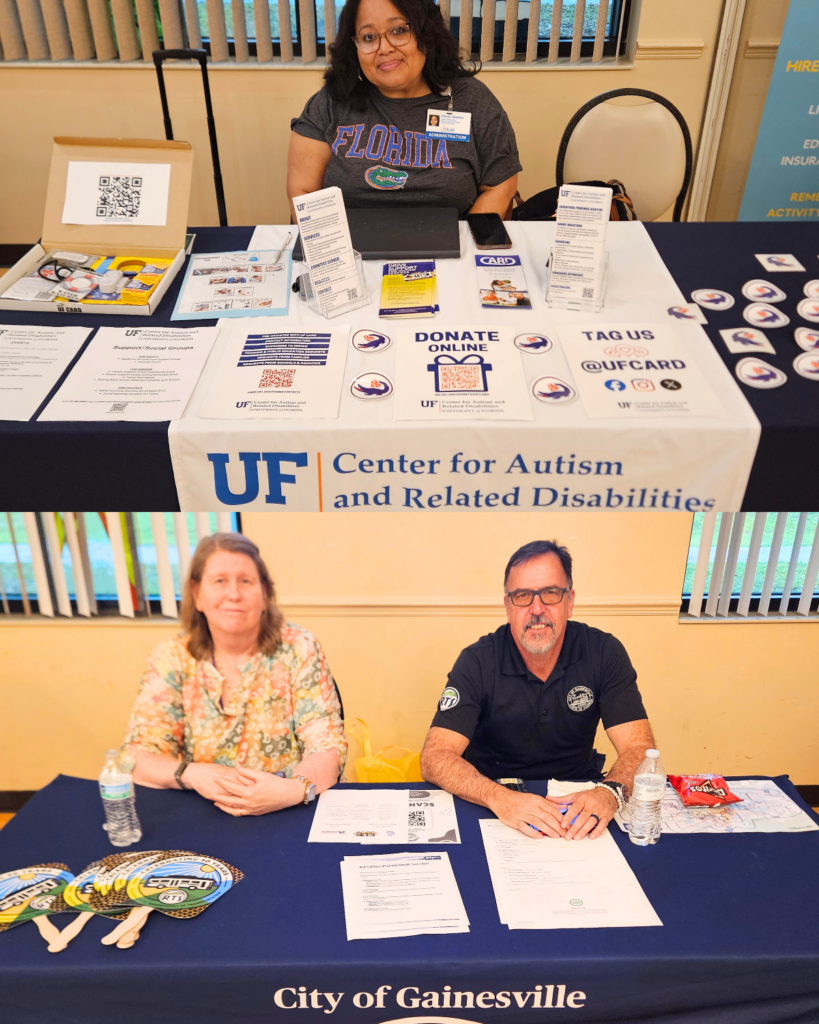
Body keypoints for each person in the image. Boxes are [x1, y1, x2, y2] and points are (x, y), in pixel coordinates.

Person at [420, 540, 655, 841]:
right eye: (522, 596)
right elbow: (435, 756)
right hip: (493, 806)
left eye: (550, 593)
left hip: (578, 804)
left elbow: (639, 749)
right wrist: (499, 797)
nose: (537, 609)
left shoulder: (603, 652)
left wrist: (609, 793)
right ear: (508, 606)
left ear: (569, 601)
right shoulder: (477, 660)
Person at [121, 533, 346, 817]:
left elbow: (327, 746)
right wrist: (192, 774)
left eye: (245, 581)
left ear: (264, 594)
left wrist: (292, 790)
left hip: (289, 810)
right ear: (197, 594)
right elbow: (137, 756)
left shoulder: (299, 648)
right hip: (207, 813)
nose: (234, 594)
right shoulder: (172, 657)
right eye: (219, 581)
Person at [287, 0, 521, 218]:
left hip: (450, 252)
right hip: (352, 253)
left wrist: (464, 251)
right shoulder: (332, 101)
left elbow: (499, 187)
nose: (384, 48)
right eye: (369, 37)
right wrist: (336, 256)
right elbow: (304, 191)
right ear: (354, 47)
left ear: (426, 35)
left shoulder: (472, 100)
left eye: (399, 30)